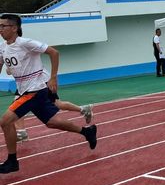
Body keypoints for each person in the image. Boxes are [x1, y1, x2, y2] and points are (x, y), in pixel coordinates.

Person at [0, 14, 97, 174]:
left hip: (34, 90)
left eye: (4, 26)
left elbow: (54, 52)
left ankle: (12, 161)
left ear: (14, 28)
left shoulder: (26, 43)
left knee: (5, 122)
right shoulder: (3, 47)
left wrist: (53, 78)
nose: (0, 29)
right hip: (25, 90)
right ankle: (87, 131)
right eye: (0, 26)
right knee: (52, 122)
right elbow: (1, 62)